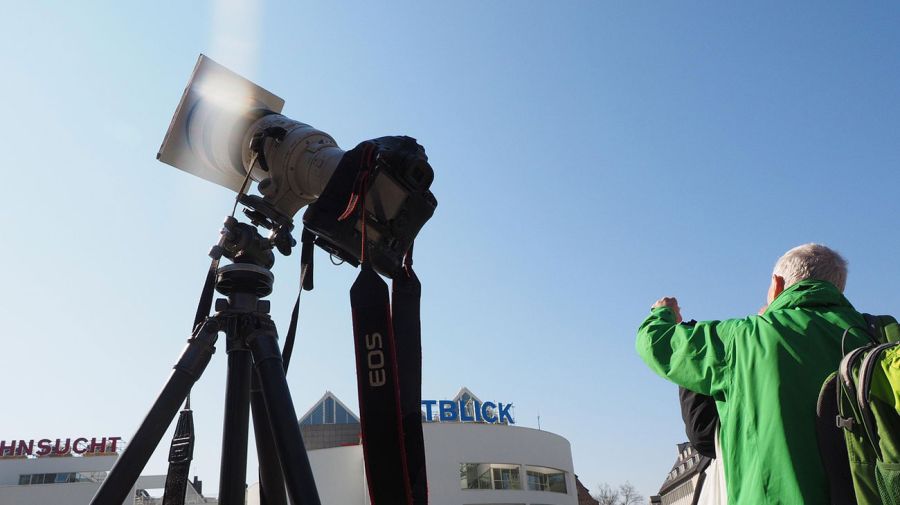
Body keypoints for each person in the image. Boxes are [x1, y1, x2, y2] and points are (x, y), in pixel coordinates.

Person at [636, 244, 870, 504]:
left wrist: (662, 312)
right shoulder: (876, 333)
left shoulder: (746, 338)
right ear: (837, 288)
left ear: (777, 284)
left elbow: (655, 343)